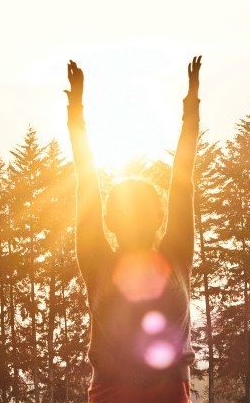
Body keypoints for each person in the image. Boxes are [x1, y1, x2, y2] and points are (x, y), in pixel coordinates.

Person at [65, 56, 202, 403]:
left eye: (141, 210)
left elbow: (182, 182)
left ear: (159, 217)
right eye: (125, 211)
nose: (134, 218)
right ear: (109, 221)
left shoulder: (176, 255)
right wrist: (76, 116)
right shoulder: (97, 261)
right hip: (111, 393)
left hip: (170, 392)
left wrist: (191, 111)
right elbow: (86, 182)